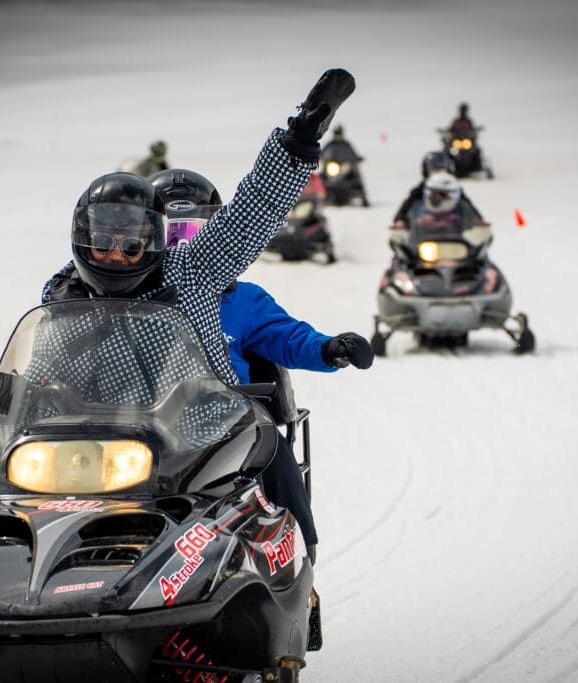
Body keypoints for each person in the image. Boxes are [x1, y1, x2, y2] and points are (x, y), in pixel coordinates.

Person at [41, 67, 356, 384]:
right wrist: (6, 401)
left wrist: (298, 144)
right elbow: (43, 375)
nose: (117, 255)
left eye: (132, 247)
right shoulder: (65, 297)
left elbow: (255, 210)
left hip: (203, 426)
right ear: (83, 241)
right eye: (104, 244)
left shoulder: (192, 271)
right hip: (105, 431)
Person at [149, 167, 374, 559]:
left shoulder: (243, 300)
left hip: (226, 417)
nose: (182, 247)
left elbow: (286, 336)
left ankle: (302, 550)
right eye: (171, 233)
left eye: (193, 232)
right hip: (144, 424)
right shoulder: (129, 298)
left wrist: (329, 348)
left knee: (270, 448)